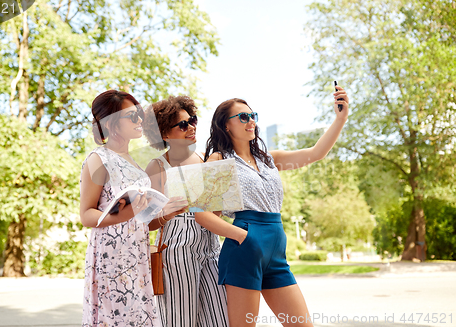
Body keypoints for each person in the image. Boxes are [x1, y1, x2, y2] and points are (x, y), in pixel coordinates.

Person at [195, 86, 349, 327]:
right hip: (244, 246)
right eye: (243, 117)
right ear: (226, 125)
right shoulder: (219, 160)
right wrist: (243, 236)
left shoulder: (269, 158)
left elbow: (316, 153)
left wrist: (340, 119)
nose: (251, 121)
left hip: (276, 249)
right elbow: (202, 214)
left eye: (253, 116)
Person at [79, 90, 185, 327]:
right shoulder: (99, 159)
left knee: (139, 318)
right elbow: (86, 214)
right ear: (111, 122)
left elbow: (142, 220)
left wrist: (166, 213)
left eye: (139, 114)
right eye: (132, 115)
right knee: (116, 318)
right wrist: (126, 213)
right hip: (111, 255)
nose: (140, 120)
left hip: (137, 254)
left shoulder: (134, 163)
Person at [143, 95, 229, 327]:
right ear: (164, 134)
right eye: (182, 125)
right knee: (180, 320)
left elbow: (214, 212)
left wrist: (221, 198)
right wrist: (166, 214)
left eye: (192, 120)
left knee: (220, 319)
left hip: (211, 246)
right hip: (176, 250)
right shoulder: (158, 166)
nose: (191, 127)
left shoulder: (204, 160)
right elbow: (146, 223)